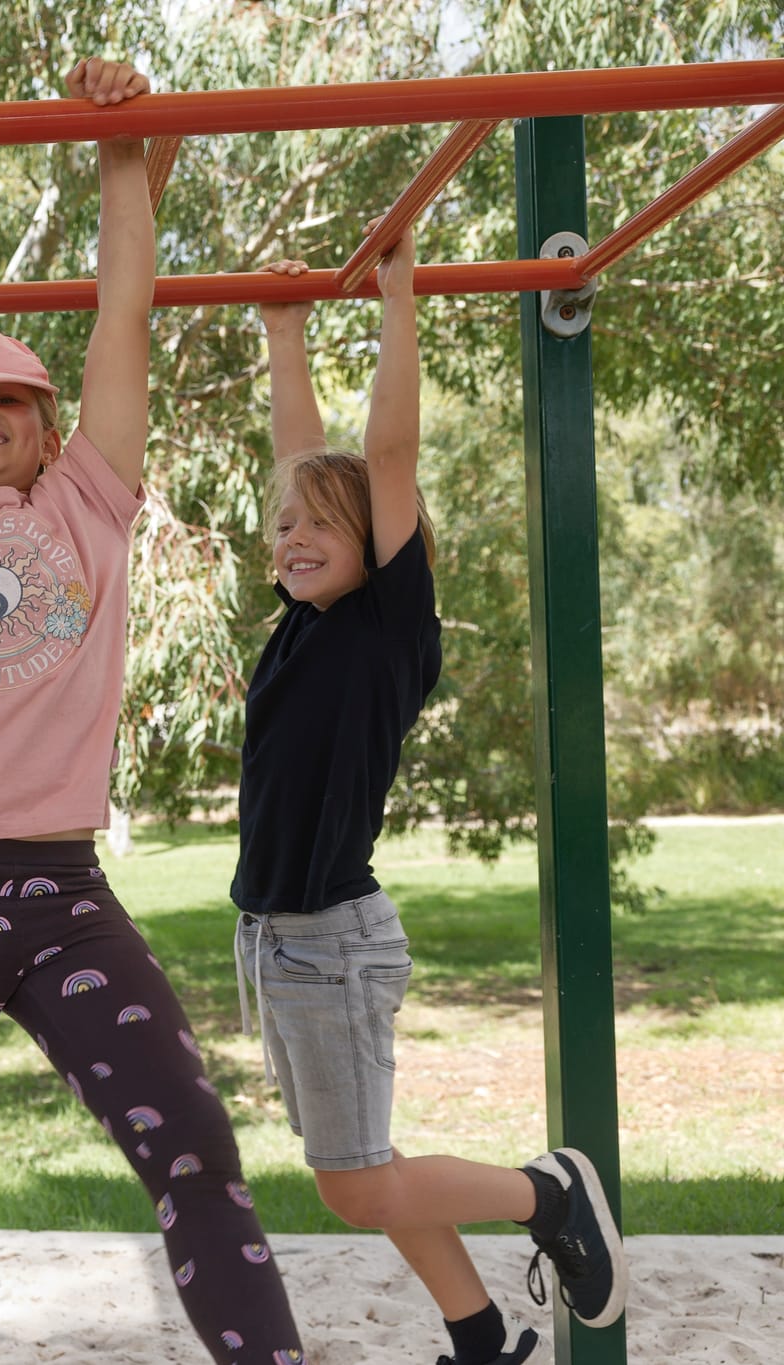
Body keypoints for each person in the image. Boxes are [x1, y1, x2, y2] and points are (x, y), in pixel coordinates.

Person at [0, 64, 310, 1364]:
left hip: (61, 890)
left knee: (195, 1141)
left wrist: (123, 152)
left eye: (9, 401)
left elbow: (126, 313)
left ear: (55, 433)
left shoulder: (87, 510)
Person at [236, 240, 628, 1365]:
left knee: (355, 1187)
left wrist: (396, 302)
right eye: (282, 527)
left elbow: (382, 451)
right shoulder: (302, 623)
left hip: (328, 941)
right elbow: (302, 461)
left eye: (321, 526)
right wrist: (281, 336)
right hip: (274, 936)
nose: (294, 539)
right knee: (364, 1168)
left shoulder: (385, 623)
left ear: (382, 543)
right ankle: (478, 1338)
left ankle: (542, 1197)